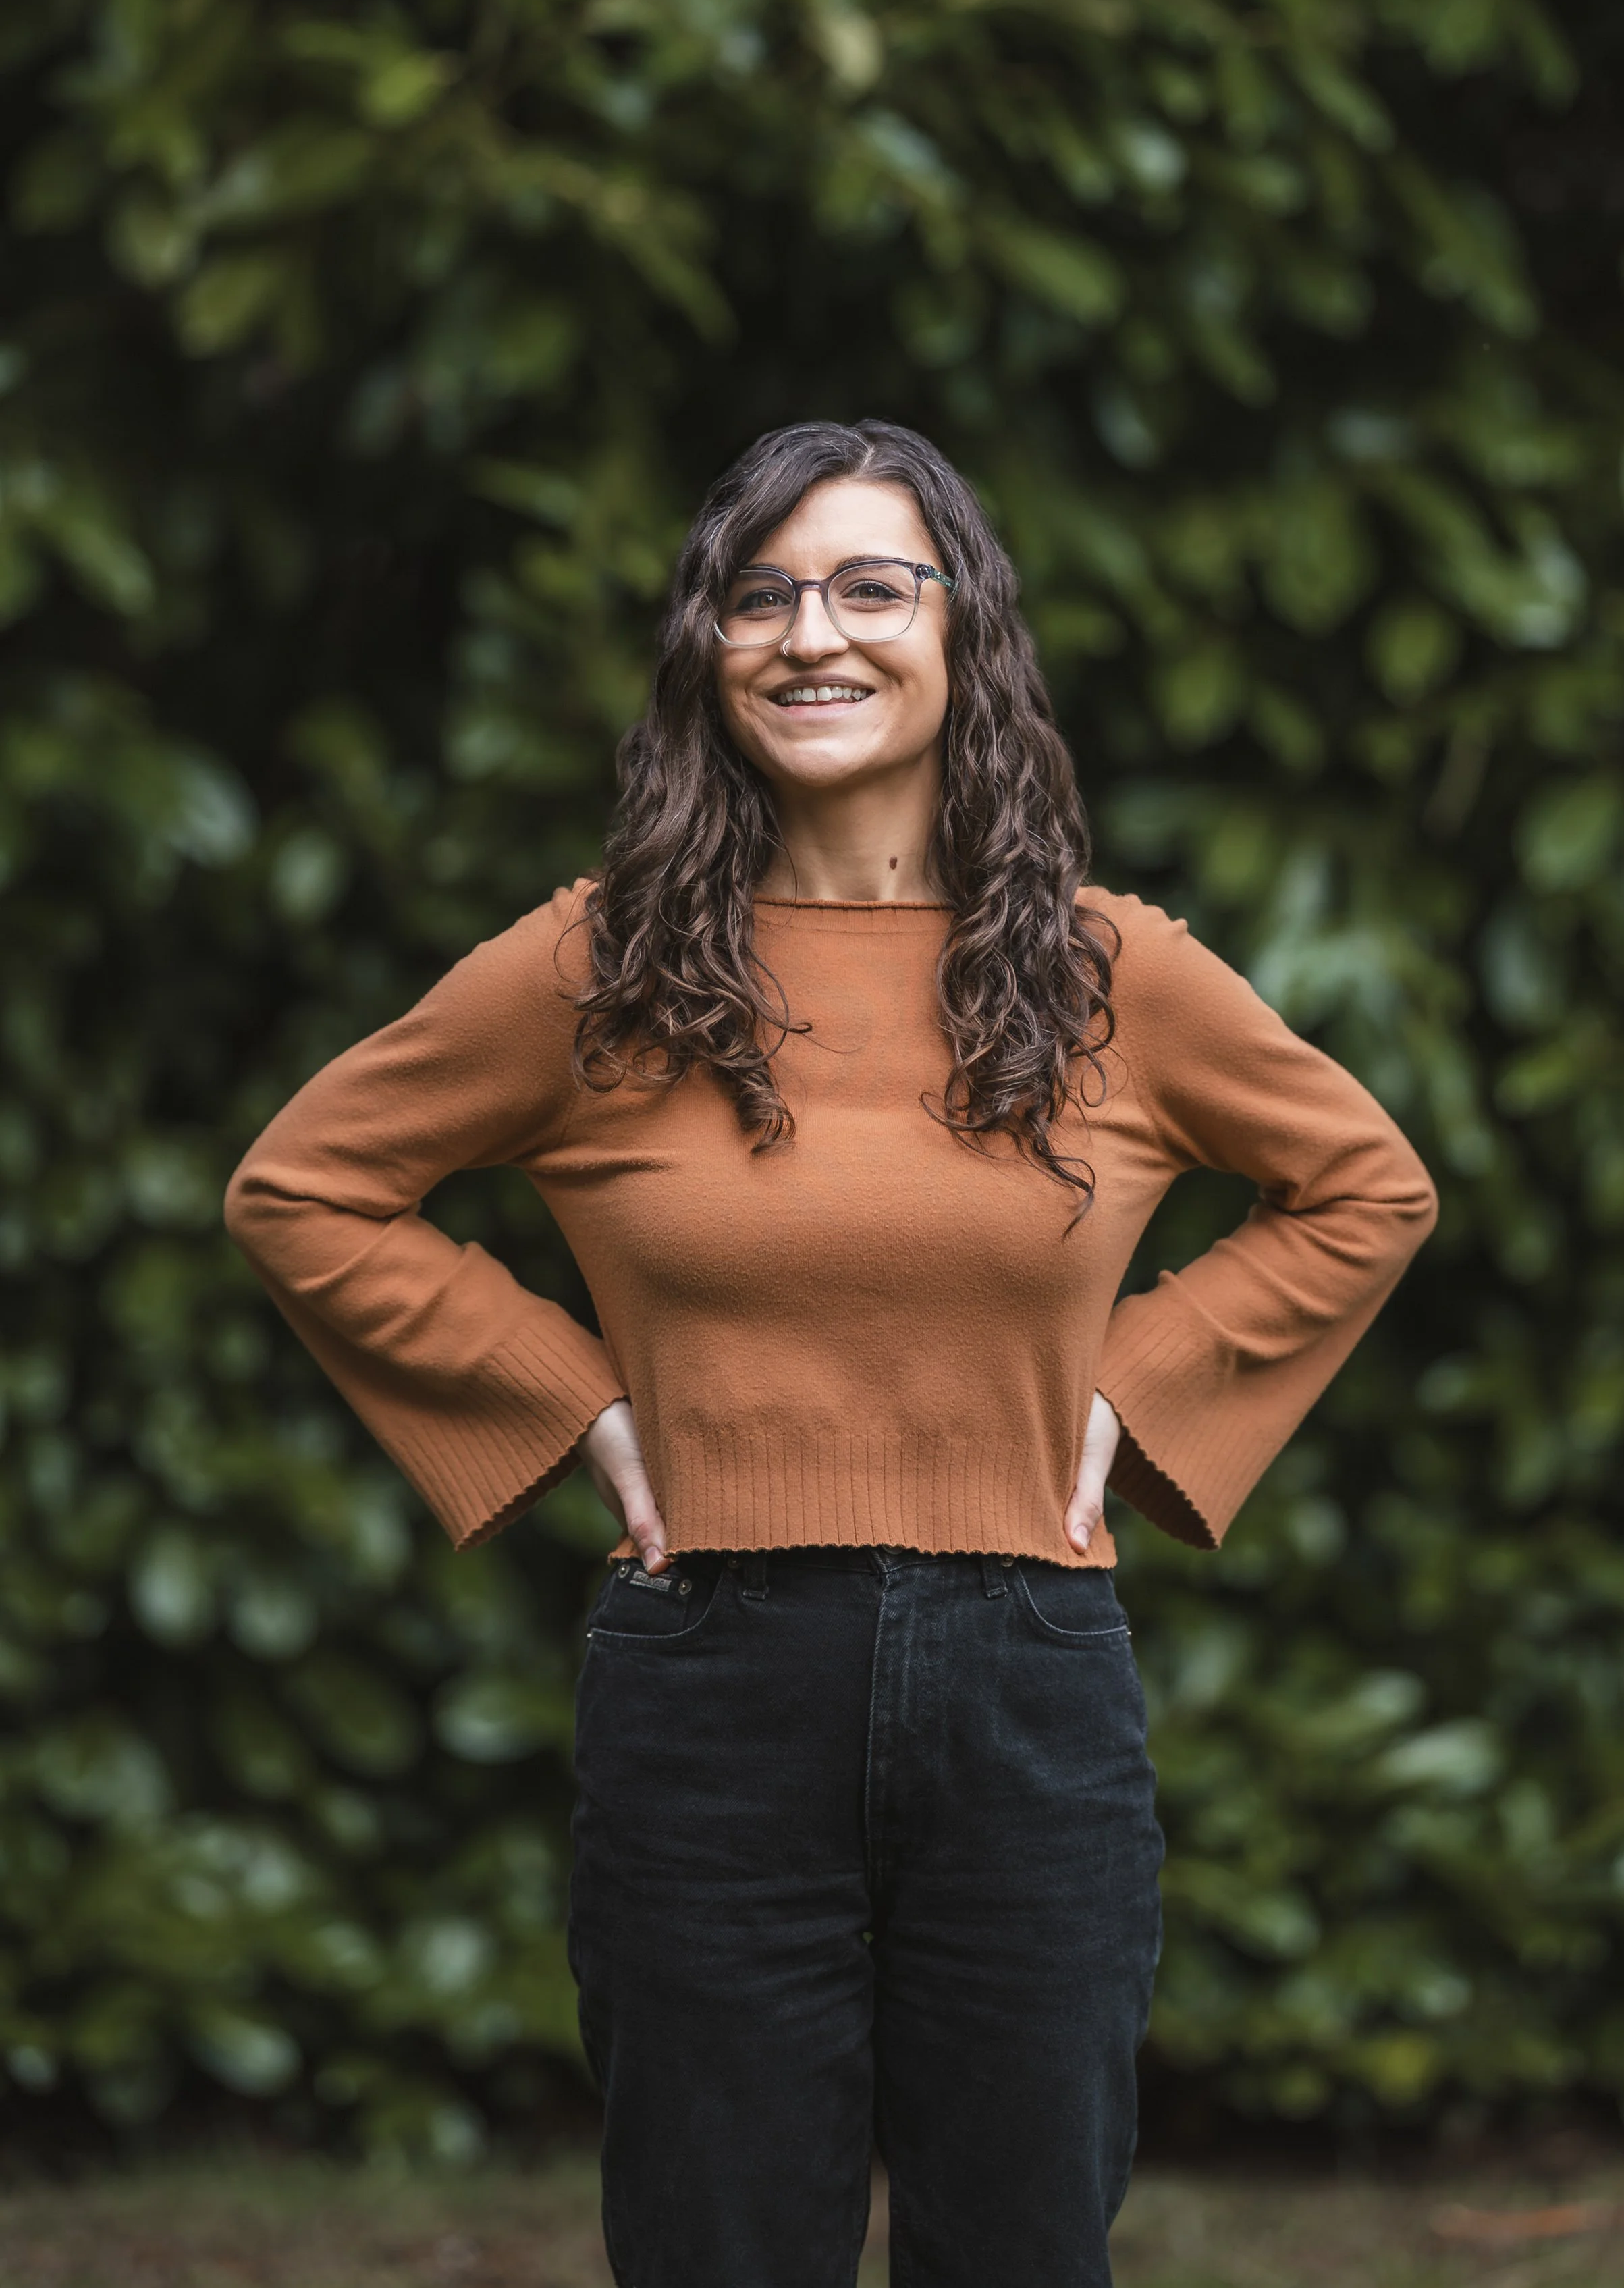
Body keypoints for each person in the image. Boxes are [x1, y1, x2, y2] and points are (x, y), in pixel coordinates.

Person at [225, 417, 1437, 2288]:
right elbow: (304, 1185)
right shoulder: (597, 972)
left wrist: (1137, 1387)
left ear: (965, 638)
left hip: (1031, 1692)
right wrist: (572, 1402)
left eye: (873, 584)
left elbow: (1363, 1187)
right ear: (706, 647)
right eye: (760, 591)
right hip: (706, 1684)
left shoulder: (1109, 974)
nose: (813, 632)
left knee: (1022, 2250)